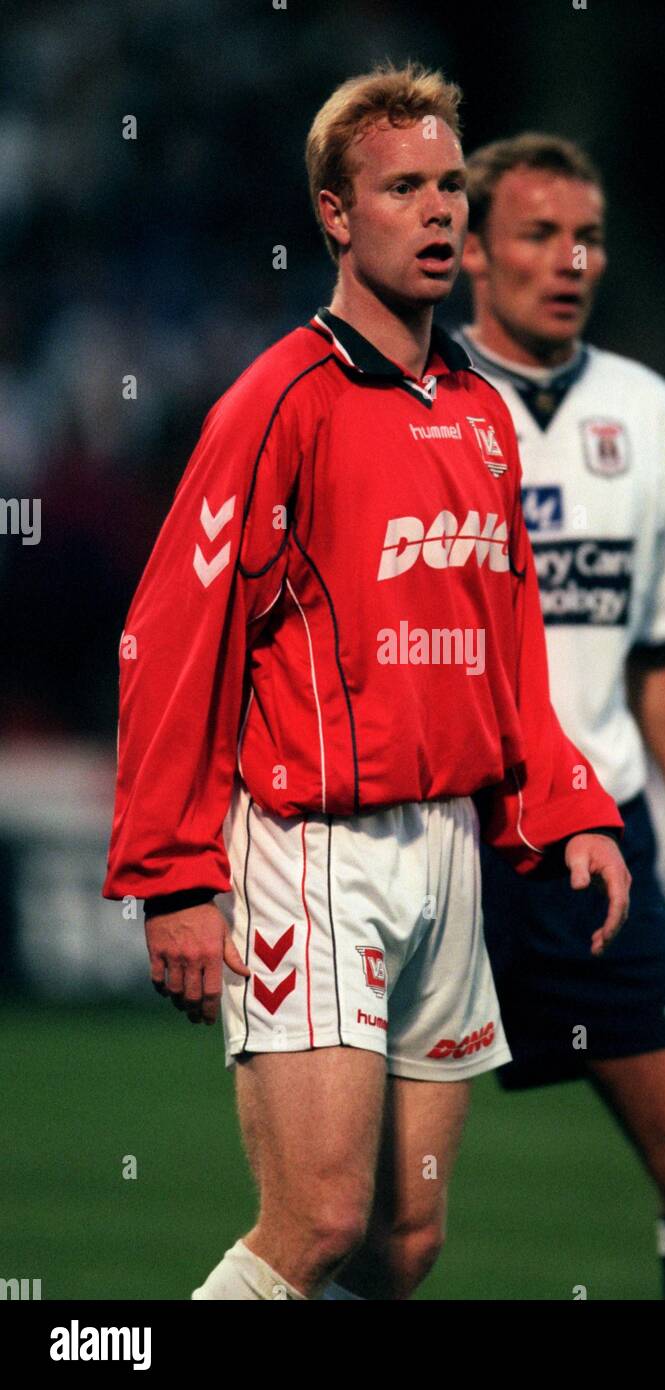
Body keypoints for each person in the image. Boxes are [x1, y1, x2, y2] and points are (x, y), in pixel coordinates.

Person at [102, 71, 630, 1302]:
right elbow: (172, 635)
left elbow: (506, 645)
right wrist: (175, 873)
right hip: (310, 850)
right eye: (405, 189)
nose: (440, 211)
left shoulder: (485, 417)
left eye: (451, 185)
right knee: (322, 1217)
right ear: (336, 216)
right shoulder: (279, 398)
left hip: (443, 851)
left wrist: (567, 804)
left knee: (404, 1246)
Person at [457, 132, 665, 1300]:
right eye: (537, 234)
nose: (568, 259)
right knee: (379, 1224)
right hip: (446, 841)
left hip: (600, 845)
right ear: (474, 254)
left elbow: (660, 648)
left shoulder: (648, 413)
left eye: (585, 236)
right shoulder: (418, 406)